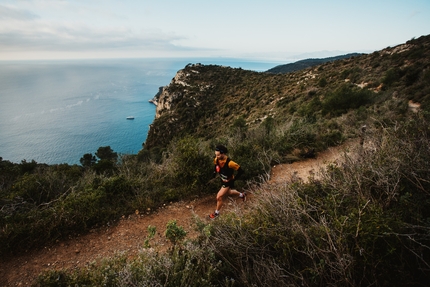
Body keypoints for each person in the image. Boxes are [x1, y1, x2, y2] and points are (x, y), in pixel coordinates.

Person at [209, 145, 246, 219]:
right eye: (216, 154)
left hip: (228, 181)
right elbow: (215, 165)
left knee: (219, 197)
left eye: (218, 155)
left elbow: (241, 171)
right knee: (229, 192)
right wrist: (214, 173)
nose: (217, 156)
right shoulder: (216, 159)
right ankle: (242, 195)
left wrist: (234, 179)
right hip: (222, 179)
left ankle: (216, 213)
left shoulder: (230, 163)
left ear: (223, 153)